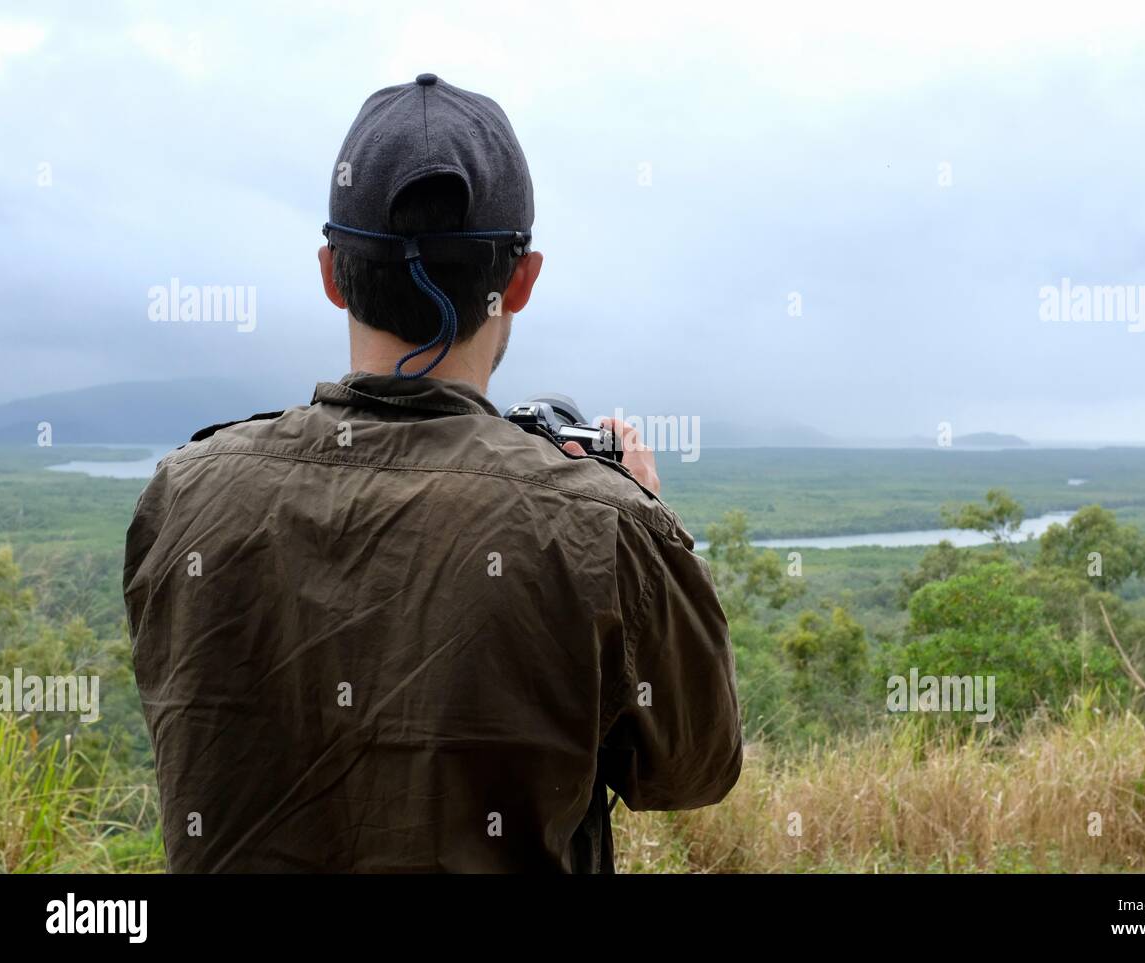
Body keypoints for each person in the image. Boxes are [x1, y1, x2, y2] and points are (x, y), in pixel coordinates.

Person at [123, 74, 742, 873]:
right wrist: (651, 526)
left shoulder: (182, 498)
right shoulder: (602, 527)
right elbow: (693, 769)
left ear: (332, 272)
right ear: (520, 279)